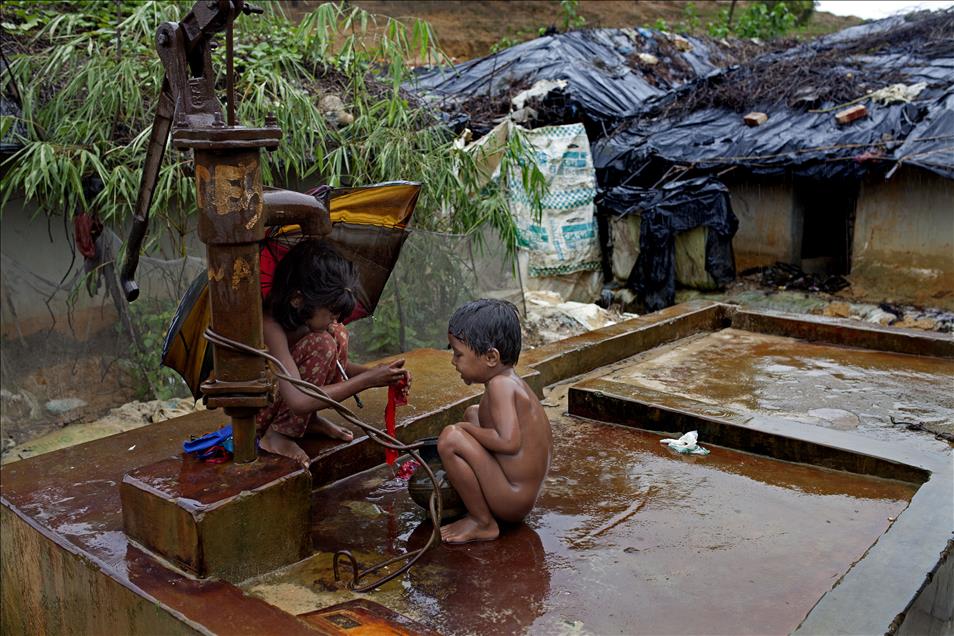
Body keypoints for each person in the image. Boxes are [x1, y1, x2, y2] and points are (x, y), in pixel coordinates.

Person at [257, 240, 409, 465]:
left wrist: (381, 374)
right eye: (331, 312)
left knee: (336, 334)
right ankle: (278, 435)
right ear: (298, 299)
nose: (335, 318)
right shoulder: (271, 327)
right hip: (262, 410)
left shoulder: (308, 319)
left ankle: (308, 421)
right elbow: (298, 400)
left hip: (294, 398)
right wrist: (367, 381)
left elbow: (335, 366)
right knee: (324, 343)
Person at [438, 299, 553, 543]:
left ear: (491, 357)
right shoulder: (507, 381)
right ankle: (480, 503)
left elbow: (508, 442)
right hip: (518, 493)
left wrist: (465, 430)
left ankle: (483, 522)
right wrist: (471, 424)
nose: (453, 361)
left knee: (450, 439)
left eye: (458, 354)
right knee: (473, 412)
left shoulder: (501, 386)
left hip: (513, 500)